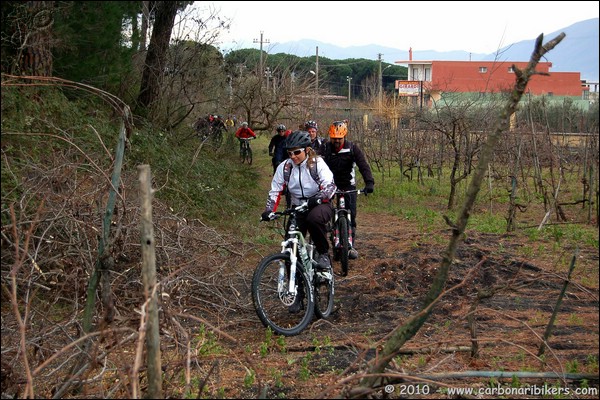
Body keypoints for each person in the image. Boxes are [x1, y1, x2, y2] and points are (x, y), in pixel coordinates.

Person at [261, 130, 337, 312]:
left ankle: (323, 254)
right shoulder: (285, 168)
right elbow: (275, 191)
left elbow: (330, 185)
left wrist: (319, 198)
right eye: (290, 153)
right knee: (290, 247)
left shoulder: (317, 163)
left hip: (320, 204)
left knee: (314, 219)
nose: (293, 156)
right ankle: (297, 292)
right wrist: (268, 210)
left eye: (297, 152)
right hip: (296, 208)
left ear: (307, 150)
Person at [321, 120, 374, 260]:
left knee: (351, 214)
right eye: (334, 139)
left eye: (339, 139)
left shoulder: (352, 148)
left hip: (348, 185)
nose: (336, 142)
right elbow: (316, 166)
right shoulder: (325, 148)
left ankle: (350, 245)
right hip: (330, 185)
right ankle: (331, 239)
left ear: (344, 137)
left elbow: (363, 165)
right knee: (327, 212)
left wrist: (369, 183)